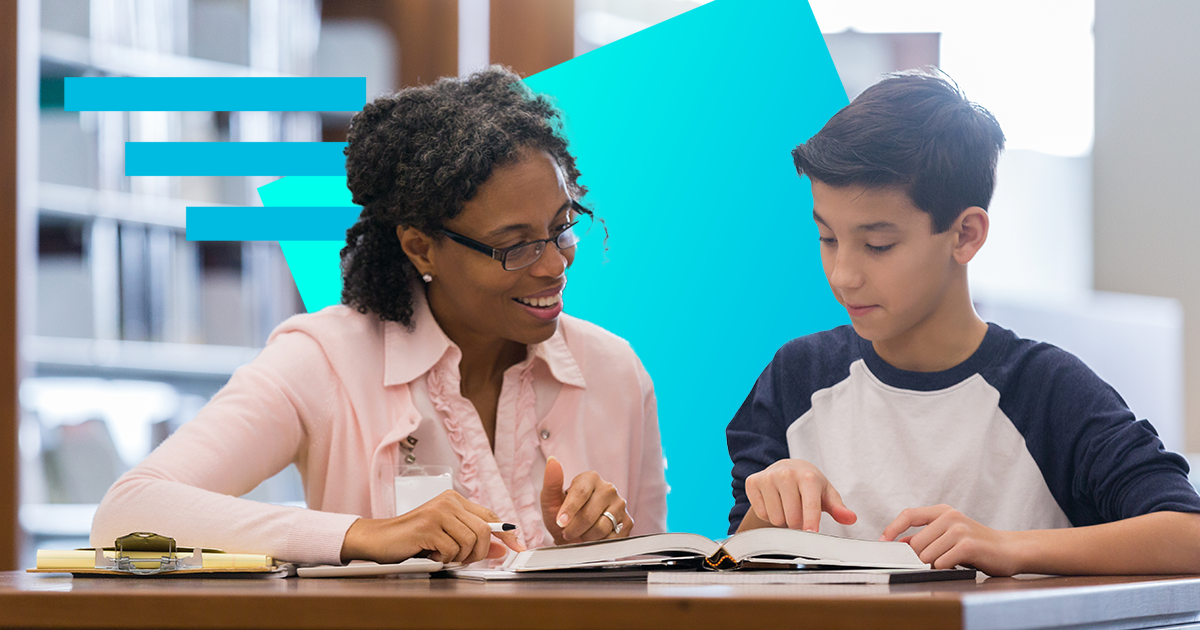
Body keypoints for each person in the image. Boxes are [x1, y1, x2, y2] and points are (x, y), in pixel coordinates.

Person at [92, 67, 667, 566]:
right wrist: (361, 535)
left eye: (562, 228)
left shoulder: (614, 371)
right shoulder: (325, 361)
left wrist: (602, 549)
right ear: (420, 247)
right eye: (514, 246)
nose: (552, 266)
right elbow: (128, 512)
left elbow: (662, 584)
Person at [726, 70, 1200, 576]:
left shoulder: (1045, 390)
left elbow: (1187, 534)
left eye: (878, 245)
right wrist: (765, 512)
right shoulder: (796, 377)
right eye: (828, 239)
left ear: (966, 234)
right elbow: (730, 566)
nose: (843, 274)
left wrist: (1010, 547)